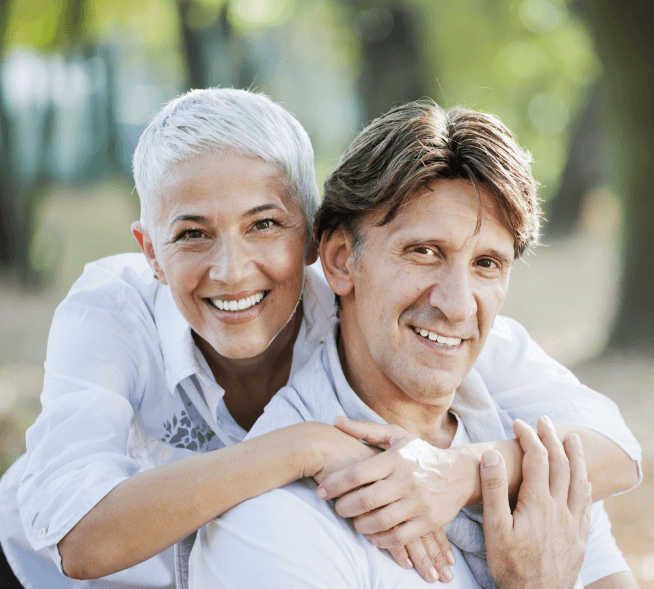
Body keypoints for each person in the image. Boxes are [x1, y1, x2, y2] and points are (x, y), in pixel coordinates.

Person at [0, 90, 640, 589]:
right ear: (151, 252)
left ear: (309, 238)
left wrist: (458, 473)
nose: (232, 269)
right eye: (193, 234)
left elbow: (613, 446)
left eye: (265, 224)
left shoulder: (424, 331)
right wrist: (300, 447)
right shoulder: (114, 315)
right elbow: (80, 541)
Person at [188, 101, 640, 588]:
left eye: (487, 263)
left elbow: (619, 452)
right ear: (340, 260)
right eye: (424, 252)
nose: (457, 305)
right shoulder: (272, 522)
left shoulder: (526, 458)